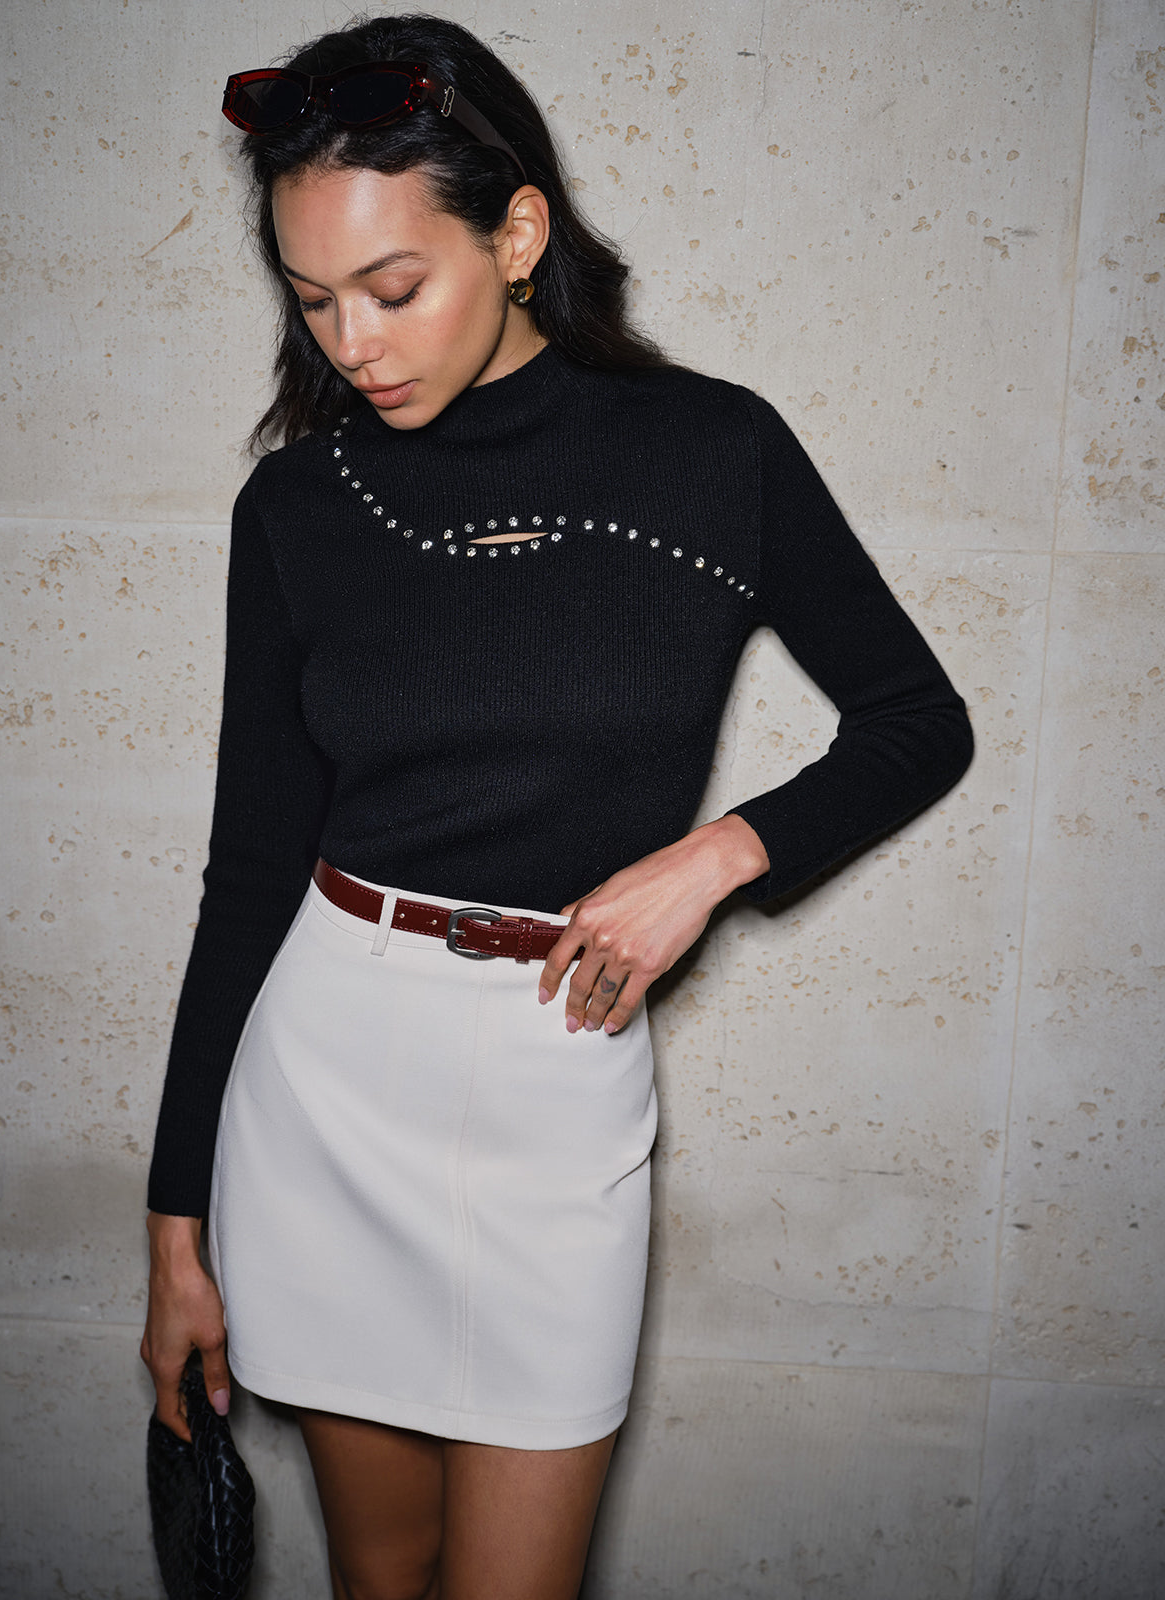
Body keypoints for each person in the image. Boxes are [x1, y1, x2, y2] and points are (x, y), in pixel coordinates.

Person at [140, 13, 973, 1600]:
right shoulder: (299, 506)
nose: (353, 343)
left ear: (516, 234)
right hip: (323, 1083)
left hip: (557, 1075)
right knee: (382, 1580)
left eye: (393, 287)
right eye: (313, 300)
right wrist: (175, 1230)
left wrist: (717, 859)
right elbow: (246, 872)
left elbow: (916, 722)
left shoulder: (714, 452)